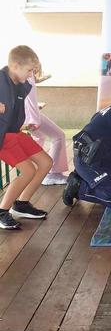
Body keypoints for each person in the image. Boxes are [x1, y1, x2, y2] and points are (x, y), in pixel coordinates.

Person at [0, 45, 53, 229]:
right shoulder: (0, 80)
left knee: (46, 163)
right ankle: (2, 211)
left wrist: (34, 74)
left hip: (16, 133)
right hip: (3, 137)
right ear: (15, 65)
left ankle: (21, 205)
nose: (32, 74)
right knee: (28, 170)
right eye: (29, 70)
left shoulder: (21, 83)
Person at [24, 61, 69, 185]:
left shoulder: (21, 74)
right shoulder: (29, 76)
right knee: (59, 135)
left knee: (39, 136)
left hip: (25, 114)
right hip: (29, 115)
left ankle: (35, 172)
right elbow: (31, 100)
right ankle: (51, 174)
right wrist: (34, 119)